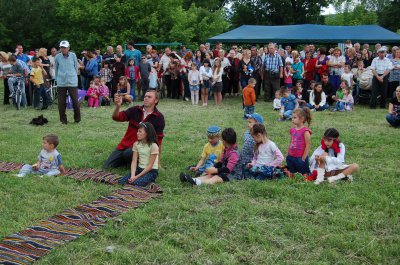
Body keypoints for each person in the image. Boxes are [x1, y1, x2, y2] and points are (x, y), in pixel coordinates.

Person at [103, 90, 165, 169]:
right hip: (125, 145)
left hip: (142, 148)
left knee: (129, 153)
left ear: (156, 100)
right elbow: (116, 117)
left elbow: (158, 141)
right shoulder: (135, 110)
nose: (146, 98)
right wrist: (118, 106)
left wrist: (157, 163)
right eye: (145, 96)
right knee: (107, 166)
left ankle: (137, 161)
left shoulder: (159, 117)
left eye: (149, 97)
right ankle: (129, 163)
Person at [117, 122, 159, 186]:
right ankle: (140, 179)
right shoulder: (136, 144)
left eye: (140, 132)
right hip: (139, 169)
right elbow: (134, 161)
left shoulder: (153, 146)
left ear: (147, 133)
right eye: (137, 131)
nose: (137, 133)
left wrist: (136, 177)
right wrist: (132, 175)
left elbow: (150, 166)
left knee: (135, 183)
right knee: (121, 181)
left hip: (150, 171)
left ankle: (149, 179)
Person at [54, 40, 81, 124]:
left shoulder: (73, 55)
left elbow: (76, 67)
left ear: (68, 48)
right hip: (61, 82)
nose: (63, 49)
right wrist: (57, 79)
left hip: (72, 82)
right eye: (62, 47)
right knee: (61, 103)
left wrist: (73, 76)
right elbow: (56, 69)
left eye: (65, 47)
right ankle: (63, 120)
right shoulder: (57, 57)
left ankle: (77, 119)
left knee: (75, 102)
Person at [286, 108, 312, 175]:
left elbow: (308, 145)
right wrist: (288, 152)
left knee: (303, 173)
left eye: (294, 117)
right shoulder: (292, 130)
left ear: (302, 119)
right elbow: (291, 141)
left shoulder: (305, 131)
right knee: (292, 171)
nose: (292, 119)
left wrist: (304, 157)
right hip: (291, 155)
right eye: (292, 117)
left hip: (300, 157)